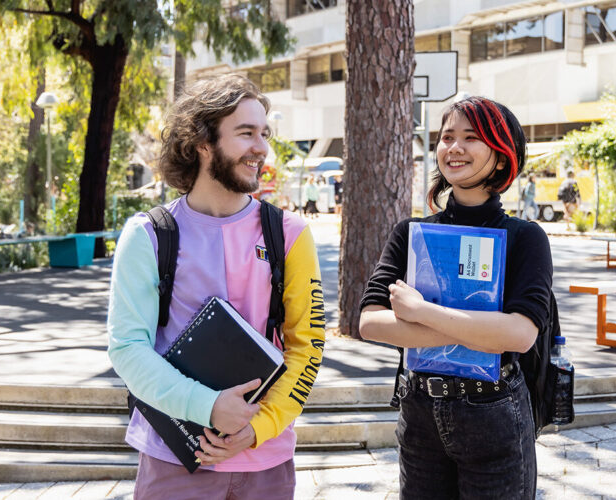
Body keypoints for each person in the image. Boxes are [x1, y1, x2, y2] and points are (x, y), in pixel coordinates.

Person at [107, 74, 325, 499]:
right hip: (174, 460)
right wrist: (206, 407)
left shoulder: (291, 234)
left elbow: (307, 347)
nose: (261, 148)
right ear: (202, 142)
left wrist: (257, 428)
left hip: (267, 462)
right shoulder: (148, 235)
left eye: (264, 133)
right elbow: (128, 348)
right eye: (246, 133)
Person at [359, 96, 553, 499]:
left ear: (500, 157)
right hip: (419, 413)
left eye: (471, 137)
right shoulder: (410, 234)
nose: (454, 147)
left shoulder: (525, 238)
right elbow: (370, 322)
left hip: (495, 414)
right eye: (447, 137)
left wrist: (422, 313)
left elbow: (518, 336)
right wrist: (480, 332)